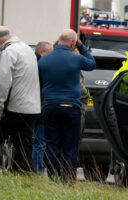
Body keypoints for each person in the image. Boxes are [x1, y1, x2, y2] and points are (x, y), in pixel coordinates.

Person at [38, 28, 96, 181]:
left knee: (51, 145)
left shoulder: (44, 59)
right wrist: (81, 46)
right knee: (70, 146)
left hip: (50, 107)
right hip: (71, 108)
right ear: (72, 43)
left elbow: (40, 82)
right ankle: (68, 179)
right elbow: (91, 63)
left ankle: (53, 178)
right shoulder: (76, 59)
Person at [0, 26, 41, 172]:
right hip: (32, 107)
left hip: (15, 106)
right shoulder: (28, 49)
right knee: (23, 145)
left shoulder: (8, 52)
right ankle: (25, 175)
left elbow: (4, 81)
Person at [31, 41, 53, 174]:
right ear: (42, 52)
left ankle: (36, 170)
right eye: (50, 52)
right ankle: (37, 171)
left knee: (37, 142)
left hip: (34, 107)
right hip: (41, 108)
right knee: (40, 143)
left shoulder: (33, 63)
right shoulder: (41, 65)